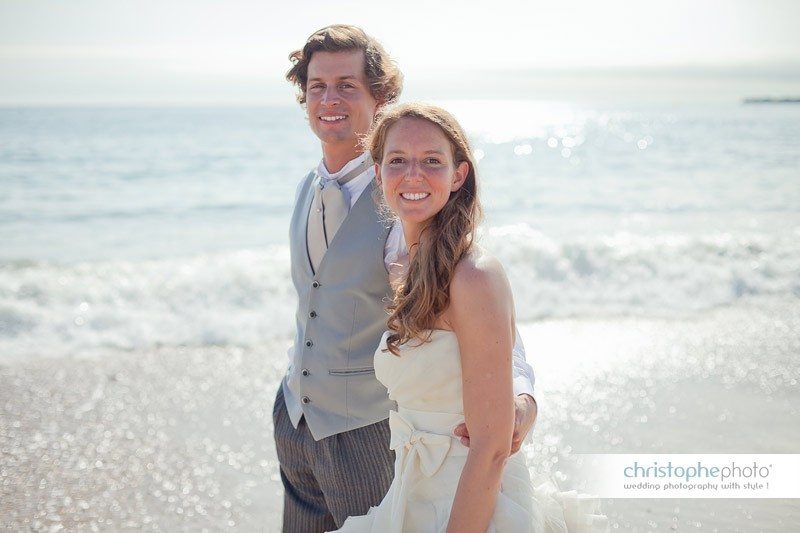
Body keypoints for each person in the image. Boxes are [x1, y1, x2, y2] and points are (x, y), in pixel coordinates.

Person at [274, 25, 539, 532]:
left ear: (381, 96)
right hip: (295, 423)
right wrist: (291, 400)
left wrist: (522, 398)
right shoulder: (308, 187)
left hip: (368, 434)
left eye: (348, 85)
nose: (330, 99)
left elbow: (491, 321)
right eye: (317, 86)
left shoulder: (404, 207)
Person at [333, 103, 608, 532]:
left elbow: (493, 446)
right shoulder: (405, 266)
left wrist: (524, 402)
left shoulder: (474, 275)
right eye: (397, 160)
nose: (412, 175)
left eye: (432, 161)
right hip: (410, 493)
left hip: (471, 502)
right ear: (378, 171)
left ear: (458, 175)